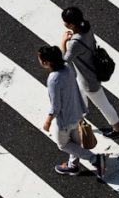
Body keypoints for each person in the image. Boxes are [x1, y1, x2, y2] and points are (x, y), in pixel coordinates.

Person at [37, 45, 108, 180]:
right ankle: (72, 165)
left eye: (40, 59)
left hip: (65, 119)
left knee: (63, 144)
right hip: (77, 112)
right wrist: (63, 44)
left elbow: (56, 106)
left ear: (47, 62)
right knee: (75, 143)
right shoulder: (68, 67)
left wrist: (48, 121)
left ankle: (95, 159)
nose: (40, 61)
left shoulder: (53, 79)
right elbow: (67, 62)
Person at [60, 7, 119, 139]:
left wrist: (64, 42)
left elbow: (64, 61)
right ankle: (79, 116)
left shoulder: (74, 43)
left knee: (103, 105)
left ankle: (118, 129)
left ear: (71, 24)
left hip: (88, 79)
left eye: (65, 22)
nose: (64, 24)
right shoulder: (86, 29)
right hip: (90, 72)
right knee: (79, 93)